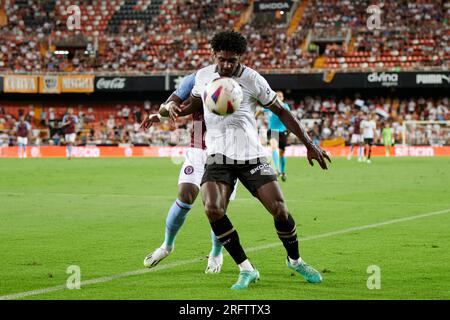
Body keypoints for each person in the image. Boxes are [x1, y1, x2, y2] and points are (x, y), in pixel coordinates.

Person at [175, 31, 331, 289]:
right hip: (218, 154)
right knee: (213, 208)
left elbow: (281, 111)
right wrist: (171, 108)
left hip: (250, 154)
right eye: (223, 59)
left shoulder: (252, 79)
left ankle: (295, 260)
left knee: (279, 209)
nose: (227, 65)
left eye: (233, 60)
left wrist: (309, 144)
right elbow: (191, 105)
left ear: (240, 57)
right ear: (214, 55)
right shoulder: (203, 76)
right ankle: (246, 268)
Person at [140, 73, 237, 273]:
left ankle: (216, 253)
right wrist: (159, 115)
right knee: (185, 195)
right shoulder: (197, 78)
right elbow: (174, 105)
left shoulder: (243, 78)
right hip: (198, 147)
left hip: (226, 151)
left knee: (217, 207)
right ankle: (167, 246)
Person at [257, 91, 291, 181]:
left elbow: (290, 119)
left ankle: (283, 172)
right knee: (273, 147)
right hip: (272, 131)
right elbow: (260, 110)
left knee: (282, 153)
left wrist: (290, 129)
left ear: (283, 98)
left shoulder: (285, 106)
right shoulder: (270, 107)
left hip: (282, 132)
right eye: (277, 96)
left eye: (281, 96)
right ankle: (277, 169)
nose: (279, 97)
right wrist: (254, 118)